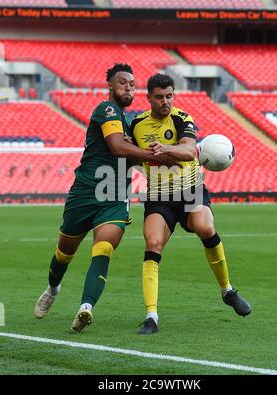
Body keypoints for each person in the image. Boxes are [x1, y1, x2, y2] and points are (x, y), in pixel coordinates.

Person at [34, 64, 176, 333]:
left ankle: (86, 308)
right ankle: (53, 289)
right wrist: (154, 155)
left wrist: (168, 155)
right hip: (86, 191)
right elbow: (116, 147)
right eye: (122, 82)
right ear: (110, 86)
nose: (128, 87)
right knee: (64, 253)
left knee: (104, 249)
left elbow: (130, 153)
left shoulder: (129, 123)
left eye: (132, 84)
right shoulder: (106, 110)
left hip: (114, 194)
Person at [130, 73, 251, 335]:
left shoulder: (182, 118)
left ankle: (228, 291)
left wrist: (165, 149)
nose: (165, 101)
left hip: (190, 190)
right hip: (159, 196)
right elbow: (128, 154)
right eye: (159, 97)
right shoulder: (136, 124)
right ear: (148, 98)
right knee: (153, 244)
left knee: (205, 227)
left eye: (169, 96)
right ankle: (151, 316)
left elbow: (188, 150)